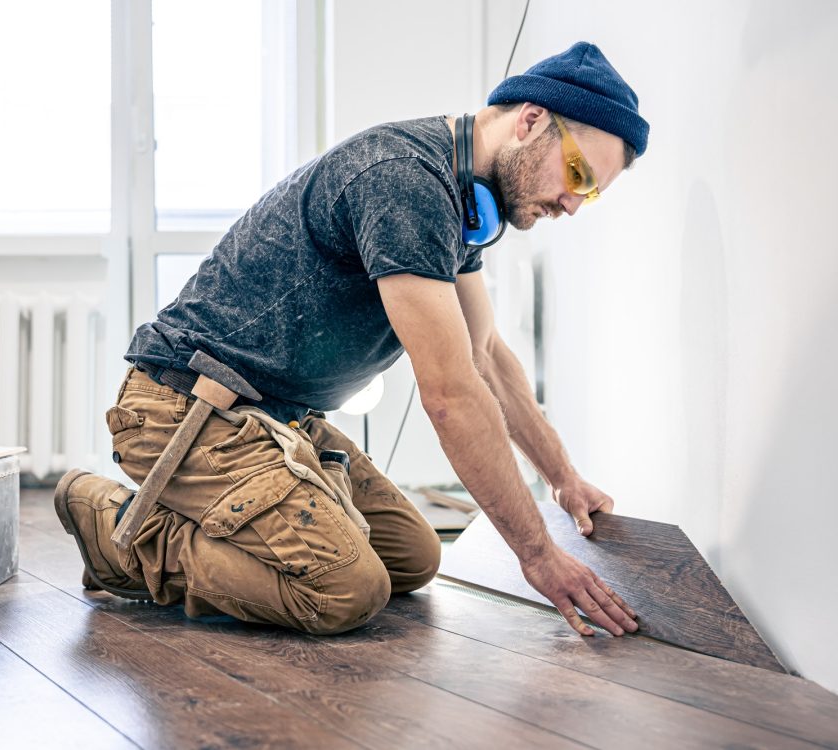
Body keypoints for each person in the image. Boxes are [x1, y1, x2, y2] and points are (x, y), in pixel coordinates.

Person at [54, 41, 648, 637]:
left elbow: (485, 354)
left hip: (279, 420)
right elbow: (451, 394)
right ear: (531, 120)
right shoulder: (405, 182)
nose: (573, 204)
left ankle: (204, 525)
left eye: (591, 193)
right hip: (184, 408)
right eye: (577, 176)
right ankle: (121, 535)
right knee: (345, 591)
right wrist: (539, 556)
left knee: (413, 558)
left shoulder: (463, 201)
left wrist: (562, 477)